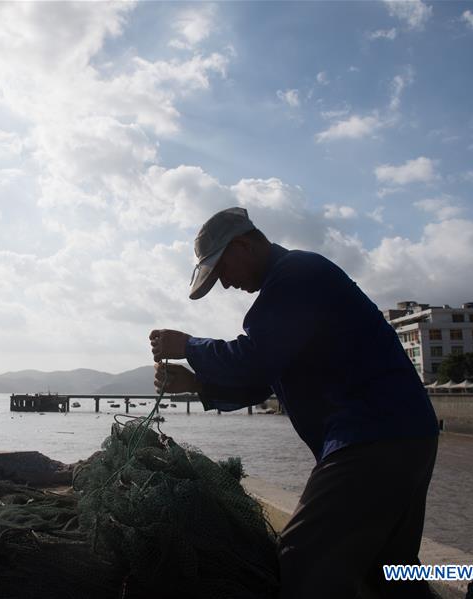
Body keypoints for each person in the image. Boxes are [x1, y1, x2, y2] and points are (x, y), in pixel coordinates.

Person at [149, 207, 440, 599]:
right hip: (403, 435)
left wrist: (188, 346)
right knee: (388, 570)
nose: (225, 284)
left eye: (221, 272)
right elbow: (263, 381)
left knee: (303, 557)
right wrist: (198, 385)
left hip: (371, 436)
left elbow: (253, 359)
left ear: (242, 246)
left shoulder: (297, 275)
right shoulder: (292, 286)